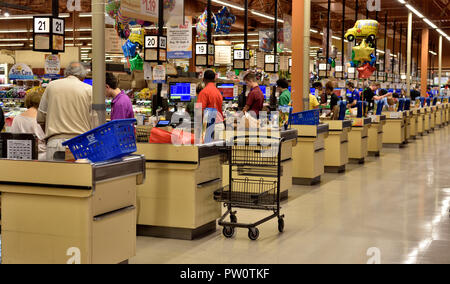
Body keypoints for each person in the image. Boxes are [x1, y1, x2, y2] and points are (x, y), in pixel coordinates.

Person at [37, 62, 94, 161]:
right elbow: (94, 122)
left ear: (66, 73)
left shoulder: (51, 86)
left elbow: (40, 118)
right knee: (78, 176)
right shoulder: (89, 89)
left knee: (55, 176)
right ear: (82, 76)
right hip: (80, 144)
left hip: (54, 143)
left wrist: (51, 135)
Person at [11, 87, 46, 160]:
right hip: (42, 156)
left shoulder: (17, 118)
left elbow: (13, 138)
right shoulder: (43, 117)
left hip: (22, 156)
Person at [196, 70, 224, 139]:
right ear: (214, 79)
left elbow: (199, 111)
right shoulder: (218, 92)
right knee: (217, 149)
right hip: (220, 125)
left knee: (207, 149)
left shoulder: (203, 92)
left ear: (203, 79)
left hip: (210, 126)